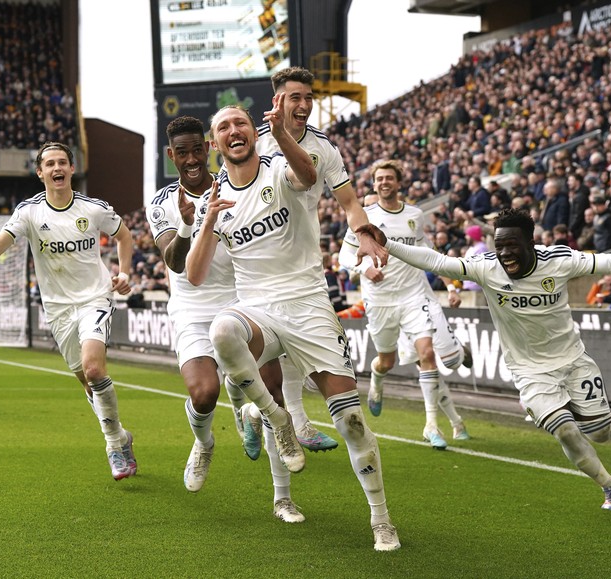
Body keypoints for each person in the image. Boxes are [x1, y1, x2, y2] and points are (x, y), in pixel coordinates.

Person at [354, 207, 611, 510]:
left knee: (600, 433)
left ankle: (562, 409)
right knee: (566, 431)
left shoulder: (559, 261)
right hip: (528, 371)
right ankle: (609, 484)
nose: (505, 253)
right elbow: (437, 261)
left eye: (512, 245)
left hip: (573, 360)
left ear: (531, 243)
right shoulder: (485, 267)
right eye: (499, 245)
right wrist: (388, 242)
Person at [186, 101, 399, 551]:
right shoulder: (216, 200)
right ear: (214, 143)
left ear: (252, 131)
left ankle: (382, 520)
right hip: (259, 310)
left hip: (308, 307)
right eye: (224, 127)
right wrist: (205, 224)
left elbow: (307, 176)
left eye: (240, 122)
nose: (234, 131)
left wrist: (281, 131)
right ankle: (276, 417)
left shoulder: (279, 167)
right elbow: (196, 275)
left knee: (353, 423)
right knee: (221, 330)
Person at [146, 117, 300, 523]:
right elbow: (175, 263)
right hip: (193, 312)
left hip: (244, 303)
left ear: (210, 145)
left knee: (273, 391)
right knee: (202, 394)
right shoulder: (161, 202)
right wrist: (185, 222)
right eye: (183, 153)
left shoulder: (234, 185)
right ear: (171, 156)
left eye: (199, 149)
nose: (193, 159)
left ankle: (282, 498)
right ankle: (205, 443)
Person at [0, 142, 138, 481]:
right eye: (50, 163)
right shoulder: (29, 212)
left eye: (62, 162)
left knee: (93, 368)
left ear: (72, 169)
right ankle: (121, 435)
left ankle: (113, 444)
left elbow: (124, 236)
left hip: (95, 299)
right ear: (40, 172)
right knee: (87, 382)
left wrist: (125, 272)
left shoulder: (93, 208)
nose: (57, 168)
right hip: (58, 309)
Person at [250, 66, 387, 455]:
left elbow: (349, 202)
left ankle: (295, 421)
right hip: (256, 267)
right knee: (257, 356)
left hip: (304, 266)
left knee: (299, 350)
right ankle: (262, 413)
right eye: (296, 97)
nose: (305, 105)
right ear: (276, 100)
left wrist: (362, 233)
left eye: (309, 97)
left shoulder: (323, 147)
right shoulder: (254, 143)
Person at [339, 160, 472, 448]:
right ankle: (377, 378)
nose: (384, 182)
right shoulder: (364, 216)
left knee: (427, 353)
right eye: (379, 179)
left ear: (399, 183)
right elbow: (343, 257)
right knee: (386, 361)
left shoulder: (415, 215)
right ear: (373, 184)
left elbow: (428, 253)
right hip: (380, 299)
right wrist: (364, 269)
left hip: (413, 295)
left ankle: (431, 425)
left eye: (389, 178)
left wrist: (450, 284)